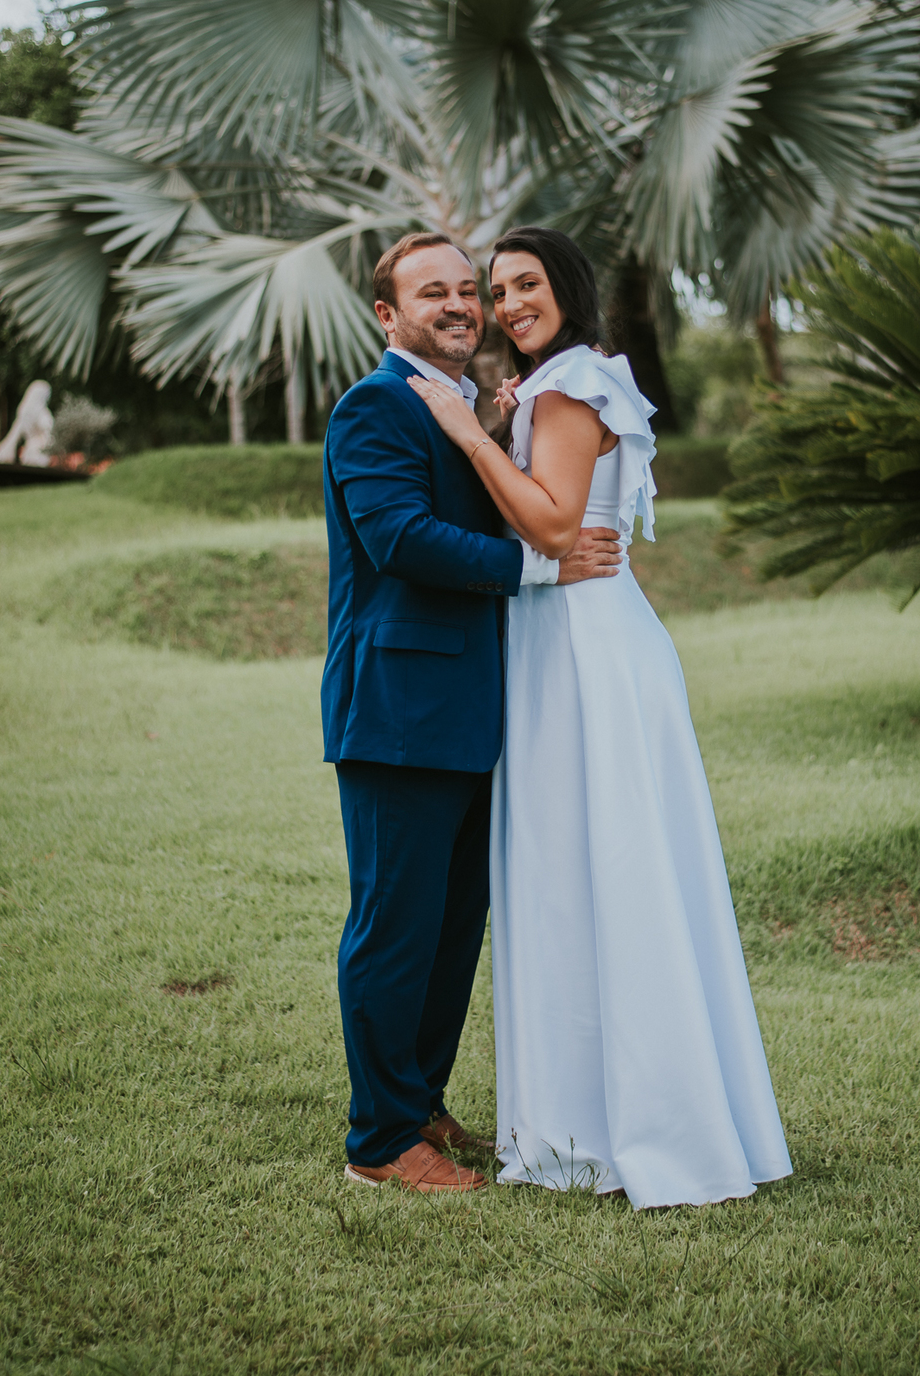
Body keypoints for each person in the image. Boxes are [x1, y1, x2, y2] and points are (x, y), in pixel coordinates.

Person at [405, 225, 792, 1211]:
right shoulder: (553, 387)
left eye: (526, 284)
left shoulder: (571, 385)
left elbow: (549, 524)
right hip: (558, 643)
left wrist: (464, 435)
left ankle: (640, 1128)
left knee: (606, 876)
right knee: (568, 879)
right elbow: (539, 505)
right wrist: (501, 428)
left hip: (582, 651)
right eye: (499, 292)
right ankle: (585, 1125)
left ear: (567, 288)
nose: (509, 304)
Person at [321, 231, 622, 1195]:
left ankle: (421, 1102)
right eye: (433, 293)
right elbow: (401, 538)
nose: (459, 305)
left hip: (476, 708)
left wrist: (497, 436)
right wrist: (539, 564)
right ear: (388, 315)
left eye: (468, 291)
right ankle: (379, 1140)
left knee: (455, 923)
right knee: (396, 922)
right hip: (398, 710)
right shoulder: (374, 407)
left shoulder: (466, 404)